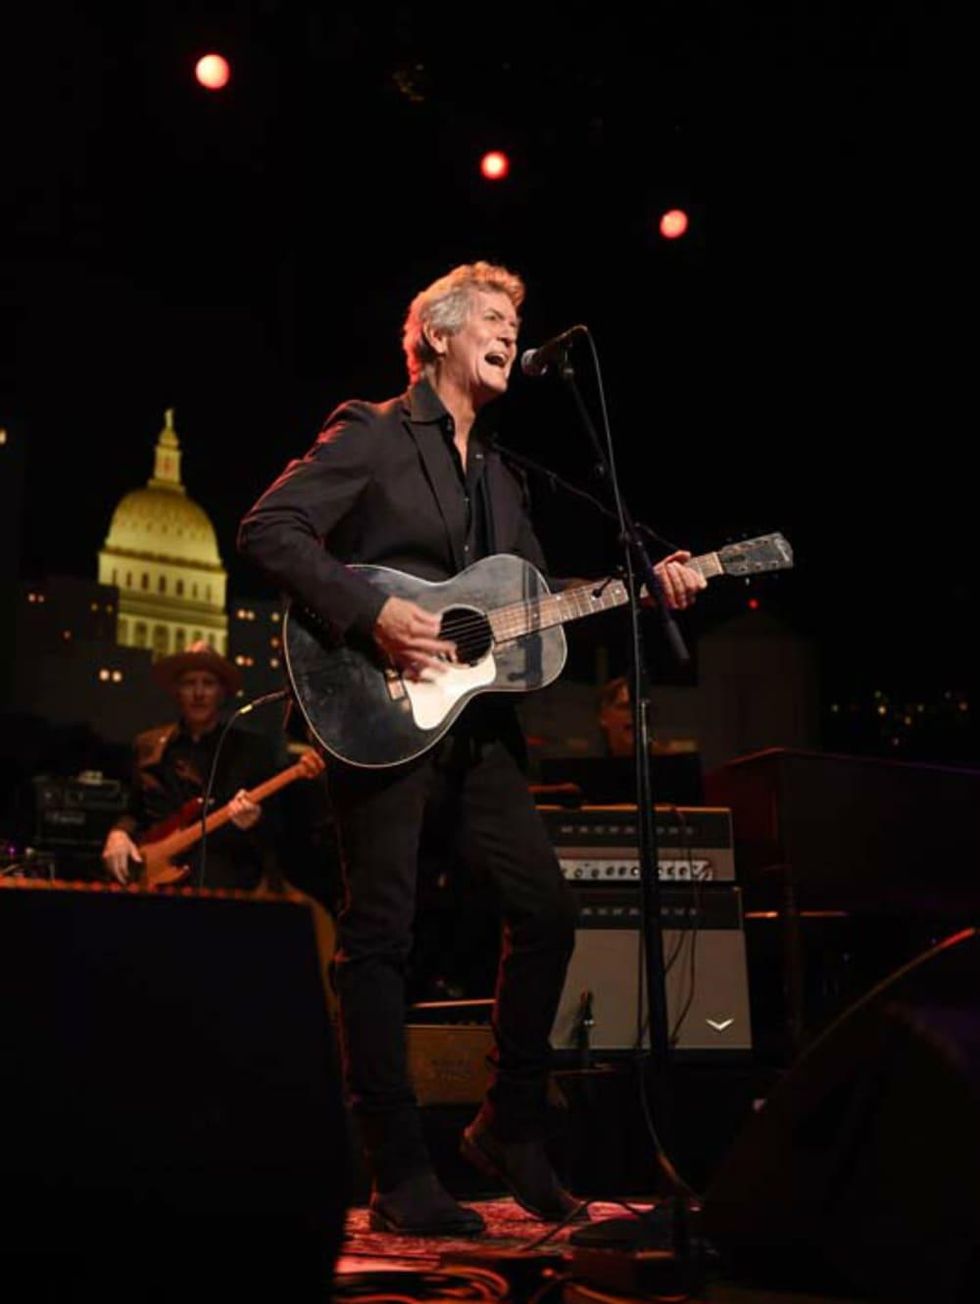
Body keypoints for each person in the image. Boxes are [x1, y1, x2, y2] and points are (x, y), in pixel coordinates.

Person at [237, 262, 705, 1235]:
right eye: (492, 316)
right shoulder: (371, 430)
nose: (507, 330)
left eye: (514, 319)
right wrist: (375, 615)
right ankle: (397, 1169)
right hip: (374, 705)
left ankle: (511, 1127)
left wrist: (639, 583)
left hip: (476, 724)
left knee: (547, 909)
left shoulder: (501, 474)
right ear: (437, 334)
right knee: (380, 933)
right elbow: (269, 527)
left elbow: (530, 608)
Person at [101, 641, 282, 891]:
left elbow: (279, 831)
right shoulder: (148, 745)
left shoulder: (252, 750)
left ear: (222, 692)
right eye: (189, 683)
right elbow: (134, 812)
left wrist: (255, 822)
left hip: (227, 891)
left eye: (208, 683)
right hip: (155, 883)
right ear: (176, 691)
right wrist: (119, 834)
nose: (198, 693)